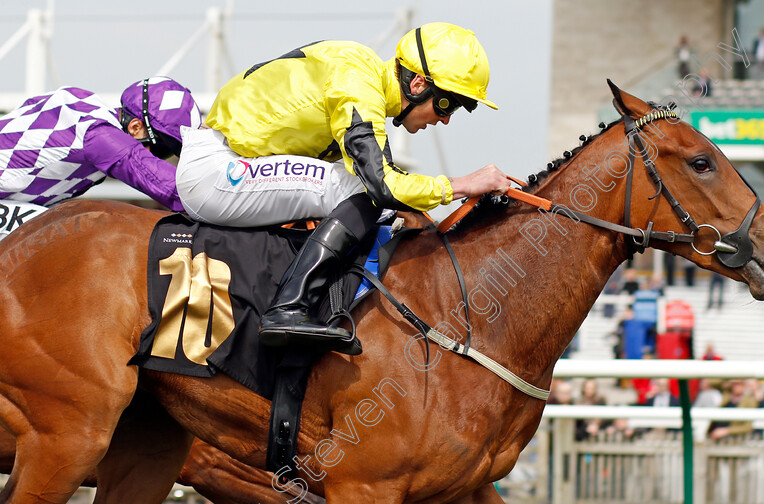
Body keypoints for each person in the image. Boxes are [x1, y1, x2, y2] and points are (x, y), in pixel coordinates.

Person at [175, 23, 509, 356]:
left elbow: (393, 186)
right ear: (418, 84)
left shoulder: (365, 83)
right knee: (364, 193)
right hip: (217, 170)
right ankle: (288, 308)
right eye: (447, 105)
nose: (446, 120)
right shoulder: (357, 84)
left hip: (227, 164)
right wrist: (462, 184)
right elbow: (383, 185)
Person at [0, 77, 201, 233]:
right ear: (135, 127)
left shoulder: (82, 99)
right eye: (159, 150)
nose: (152, 157)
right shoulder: (100, 136)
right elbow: (174, 189)